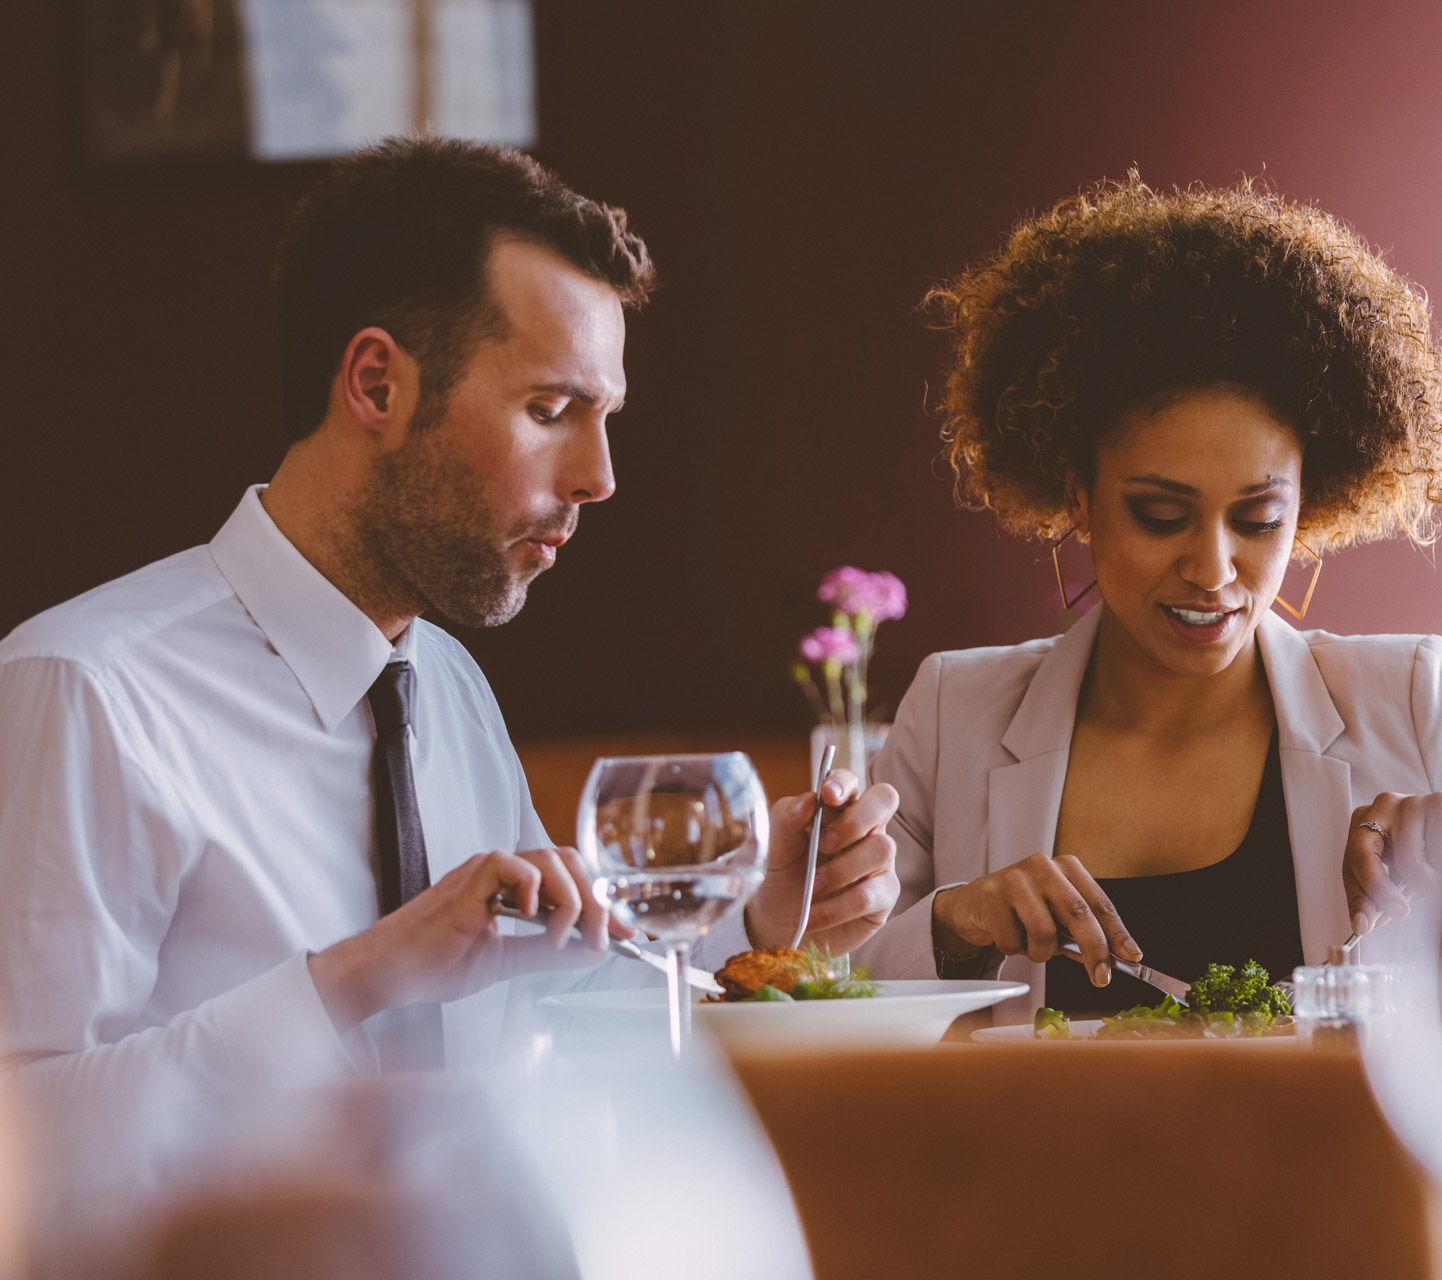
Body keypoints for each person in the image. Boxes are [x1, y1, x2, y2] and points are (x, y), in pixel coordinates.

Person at [0, 137, 901, 1094]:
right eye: (552, 408)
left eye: (606, 419)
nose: (599, 479)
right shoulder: (82, 690)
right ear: (379, 385)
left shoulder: (445, 688)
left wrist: (750, 918)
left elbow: (532, 1009)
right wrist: (357, 977)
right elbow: (23, 1150)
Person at [854, 176, 1442, 1019]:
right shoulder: (955, 713)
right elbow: (811, 975)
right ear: (1077, 494)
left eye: (1258, 519)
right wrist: (954, 926)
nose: (1213, 568)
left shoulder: (1412, 698)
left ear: (1312, 503)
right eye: (1160, 515)